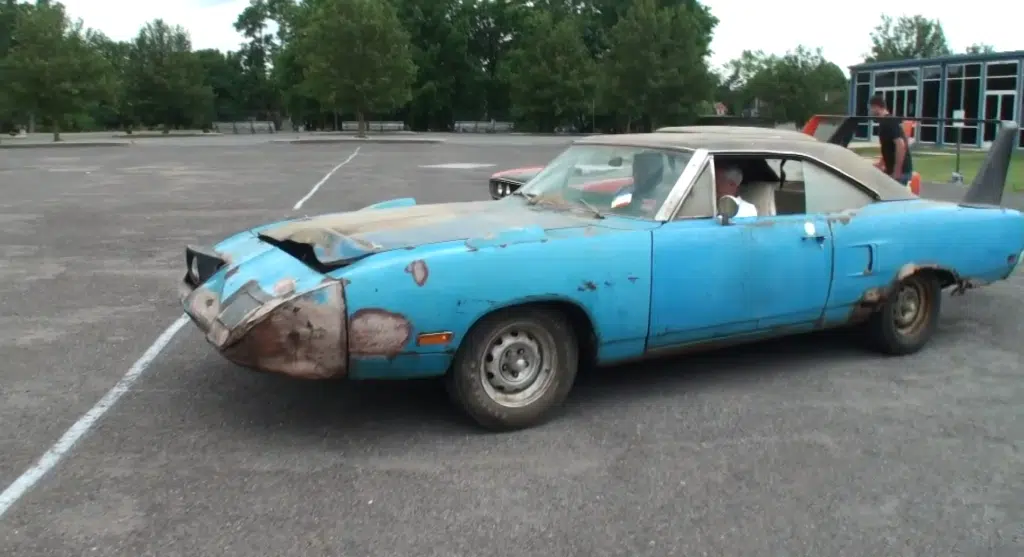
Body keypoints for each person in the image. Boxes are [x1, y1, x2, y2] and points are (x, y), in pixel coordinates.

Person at [868, 93, 913, 186]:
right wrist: (880, 164)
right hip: (893, 170)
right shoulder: (885, 122)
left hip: (901, 172)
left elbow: (900, 145)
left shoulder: (889, 121)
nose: (870, 112)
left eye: (871, 109)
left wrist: (897, 171)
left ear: (876, 107)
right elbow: (888, 147)